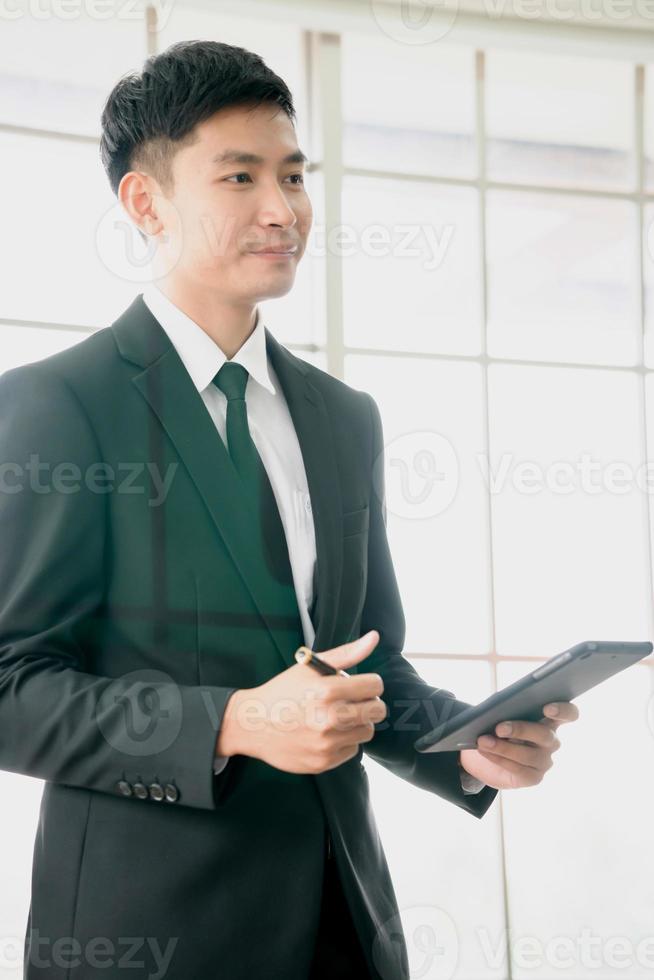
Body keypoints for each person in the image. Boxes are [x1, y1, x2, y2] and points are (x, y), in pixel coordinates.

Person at [0, 40, 578, 980]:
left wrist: (468, 746)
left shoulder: (343, 418)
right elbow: (9, 688)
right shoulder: (60, 406)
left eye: (295, 175)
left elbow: (364, 660)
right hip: (149, 937)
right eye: (240, 176)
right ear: (147, 204)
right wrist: (233, 720)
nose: (285, 210)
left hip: (345, 926)